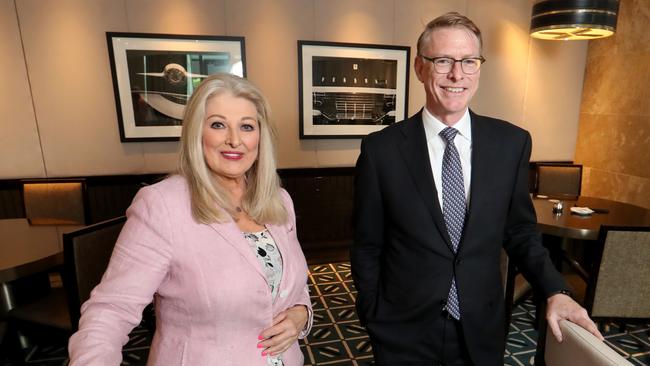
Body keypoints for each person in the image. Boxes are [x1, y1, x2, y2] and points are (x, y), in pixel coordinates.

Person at [351, 12, 602, 365]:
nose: (457, 74)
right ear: (420, 68)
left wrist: (555, 289)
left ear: (479, 67)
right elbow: (367, 244)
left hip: (480, 325)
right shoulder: (381, 150)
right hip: (402, 328)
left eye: (469, 61)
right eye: (443, 61)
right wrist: (372, 312)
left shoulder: (511, 143)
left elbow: (519, 232)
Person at [68, 73, 312, 365]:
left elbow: (292, 284)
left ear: (260, 136)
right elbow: (110, 312)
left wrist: (302, 313)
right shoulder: (161, 206)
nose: (234, 140)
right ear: (197, 132)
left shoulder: (277, 200)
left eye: (246, 126)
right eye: (218, 125)